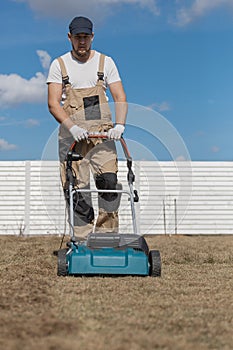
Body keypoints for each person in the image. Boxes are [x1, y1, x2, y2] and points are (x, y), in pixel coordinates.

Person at [47, 16, 127, 237]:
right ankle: (81, 242)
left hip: (101, 134)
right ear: (70, 38)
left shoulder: (105, 62)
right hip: (71, 136)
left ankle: (106, 238)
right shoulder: (59, 65)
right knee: (77, 190)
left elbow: (119, 96)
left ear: (92, 37)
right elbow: (53, 103)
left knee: (109, 183)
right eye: (77, 37)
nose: (82, 42)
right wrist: (72, 127)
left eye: (85, 37)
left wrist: (119, 124)